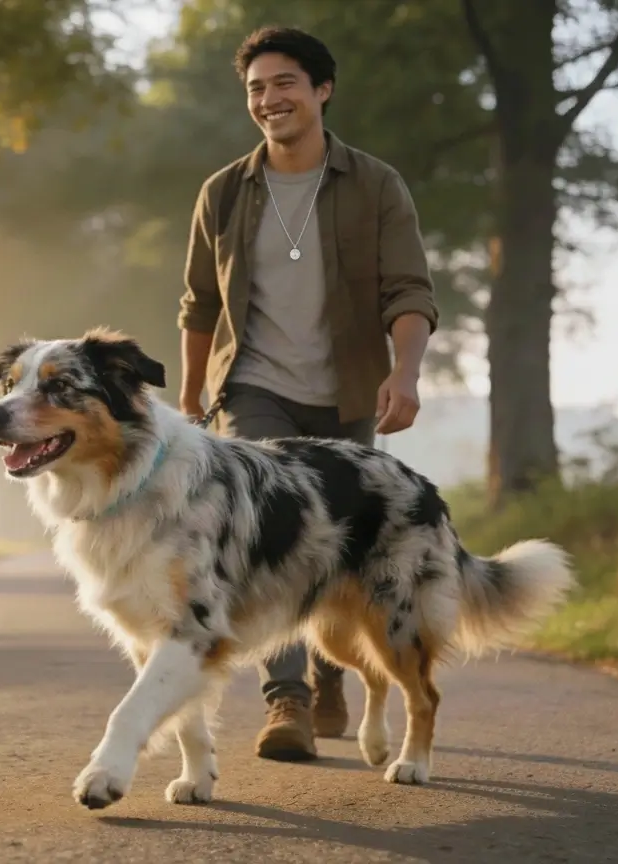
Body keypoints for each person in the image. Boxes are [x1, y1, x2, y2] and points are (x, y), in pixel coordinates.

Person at [176, 25, 439, 762]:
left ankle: (330, 678)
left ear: (322, 90)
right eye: (256, 88)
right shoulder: (223, 192)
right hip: (253, 390)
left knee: (338, 548)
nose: (268, 99)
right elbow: (199, 305)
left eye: (284, 82)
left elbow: (409, 289)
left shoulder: (376, 184)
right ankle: (284, 698)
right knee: (259, 540)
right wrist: (194, 396)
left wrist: (405, 370)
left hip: (347, 389)